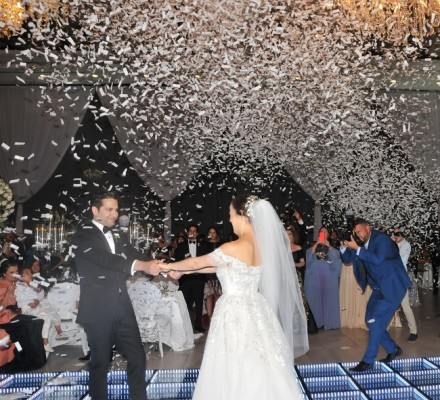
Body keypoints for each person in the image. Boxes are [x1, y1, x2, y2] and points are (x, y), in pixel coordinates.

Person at [163, 194, 308, 399]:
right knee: (260, 360)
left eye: (231, 215)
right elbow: (222, 266)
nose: (230, 220)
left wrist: (167, 265)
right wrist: (185, 272)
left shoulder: (233, 247)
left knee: (233, 362)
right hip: (255, 306)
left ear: (242, 215)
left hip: (233, 310)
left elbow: (197, 262)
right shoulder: (260, 246)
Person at [71, 192, 162, 400]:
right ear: (95, 211)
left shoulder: (118, 234)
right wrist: (140, 266)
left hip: (121, 306)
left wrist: (162, 267)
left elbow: (132, 253)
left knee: (137, 356)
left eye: (116, 209)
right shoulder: (82, 236)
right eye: (109, 209)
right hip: (97, 309)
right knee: (101, 362)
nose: (115, 214)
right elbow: (106, 260)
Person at [341, 218, 412, 372]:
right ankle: (393, 349)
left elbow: (378, 259)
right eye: (356, 232)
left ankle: (368, 360)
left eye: (359, 231)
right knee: (369, 320)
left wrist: (358, 249)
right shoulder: (359, 243)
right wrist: (344, 246)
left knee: (376, 321)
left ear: (367, 228)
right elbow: (347, 260)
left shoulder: (382, 240)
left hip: (393, 287)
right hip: (379, 288)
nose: (358, 235)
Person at [15, 266, 68, 354]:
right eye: (27, 273)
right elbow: (19, 300)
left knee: (50, 312)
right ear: (21, 276)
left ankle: (55, 334)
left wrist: (37, 299)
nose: (30, 274)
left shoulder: (34, 283)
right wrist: (30, 301)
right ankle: (45, 341)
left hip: (37, 306)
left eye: (30, 273)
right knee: (47, 317)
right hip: (27, 308)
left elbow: (41, 295)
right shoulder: (19, 286)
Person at [173, 224, 210, 332]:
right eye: (190, 230)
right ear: (187, 232)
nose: (192, 232)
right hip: (185, 278)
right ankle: (183, 324)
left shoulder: (203, 246)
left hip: (199, 278)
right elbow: (176, 260)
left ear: (197, 233)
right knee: (184, 302)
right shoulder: (181, 246)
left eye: (194, 231)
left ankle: (198, 324)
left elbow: (206, 261)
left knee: (199, 302)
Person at [304, 227, 342, 330]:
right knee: (315, 299)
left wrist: (328, 247)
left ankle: (328, 322)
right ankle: (317, 323)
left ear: (328, 235)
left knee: (329, 300)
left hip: (329, 278)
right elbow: (308, 257)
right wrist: (317, 244)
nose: (323, 233)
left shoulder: (332, 249)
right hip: (315, 278)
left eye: (325, 232)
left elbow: (337, 262)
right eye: (321, 232)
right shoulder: (312, 248)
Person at [391, 229, 418, 342]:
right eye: (394, 234)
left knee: (405, 305)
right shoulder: (394, 244)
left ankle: (414, 331)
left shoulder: (406, 245)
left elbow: (396, 258)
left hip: (400, 278)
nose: (396, 236)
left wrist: (392, 243)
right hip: (391, 277)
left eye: (398, 234)